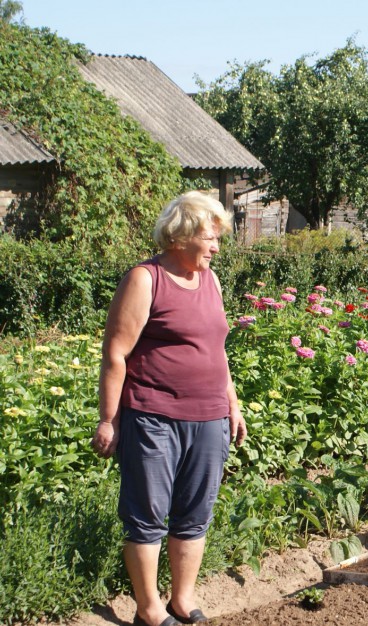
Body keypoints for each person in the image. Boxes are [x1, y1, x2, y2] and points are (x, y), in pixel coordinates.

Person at [91, 191, 248, 626]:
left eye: (218, 239)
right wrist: (108, 419)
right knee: (146, 515)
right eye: (210, 238)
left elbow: (217, 350)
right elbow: (116, 353)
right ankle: (149, 609)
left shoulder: (210, 280)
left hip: (209, 418)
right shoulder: (146, 279)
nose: (216, 248)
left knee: (195, 514)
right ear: (181, 235)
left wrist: (232, 405)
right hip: (153, 417)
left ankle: (182, 599)